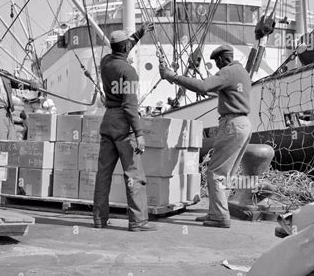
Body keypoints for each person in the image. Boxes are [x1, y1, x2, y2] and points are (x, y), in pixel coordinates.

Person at [159, 45, 252, 228]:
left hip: (231, 124)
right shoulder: (241, 72)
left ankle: (220, 217)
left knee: (215, 172)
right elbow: (212, 90)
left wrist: (173, 76)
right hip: (244, 124)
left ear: (222, 59)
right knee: (225, 175)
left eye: (216, 63)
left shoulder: (227, 71)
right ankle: (216, 212)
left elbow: (203, 86)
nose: (217, 68)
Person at [93, 22, 157, 232]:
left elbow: (124, 46)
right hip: (123, 123)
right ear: (124, 49)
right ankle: (138, 221)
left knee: (103, 173)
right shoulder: (128, 71)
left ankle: (99, 219)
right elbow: (130, 105)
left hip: (107, 120)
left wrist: (139, 33)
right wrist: (138, 133)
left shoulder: (105, 62)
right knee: (133, 174)